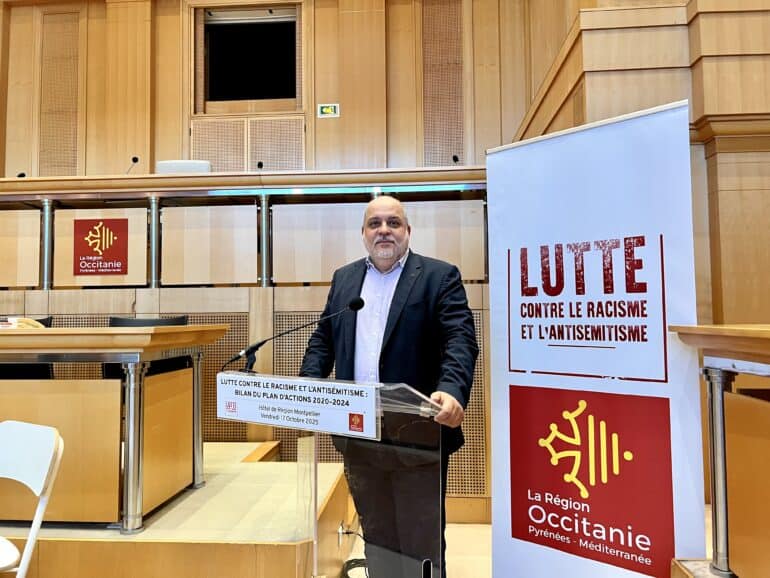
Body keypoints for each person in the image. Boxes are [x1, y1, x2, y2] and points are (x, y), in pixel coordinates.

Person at [300, 195, 478, 578]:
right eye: (375, 223)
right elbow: (324, 340)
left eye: (393, 223)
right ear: (363, 233)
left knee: (421, 544)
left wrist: (452, 388)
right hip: (359, 432)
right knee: (378, 538)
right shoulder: (345, 278)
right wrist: (308, 388)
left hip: (418, 435)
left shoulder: (438, 276)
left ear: (408, 231)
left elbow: (460, 339)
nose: (384, 230)